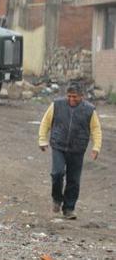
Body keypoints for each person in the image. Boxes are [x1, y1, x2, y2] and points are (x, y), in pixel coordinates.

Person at [38, 81, 102, 219]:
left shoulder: (89, 110)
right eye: (69, 96)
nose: (72, 99)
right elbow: (45, 122)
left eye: (75, 97)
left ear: (82, 96)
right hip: (59, 146)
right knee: (57, 173)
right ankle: (56, 199)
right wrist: (42, 139)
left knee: (73, 180)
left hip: (77, 149)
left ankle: (69, 209)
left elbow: (96, 129)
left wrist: (96, 147)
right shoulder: (57, 105)